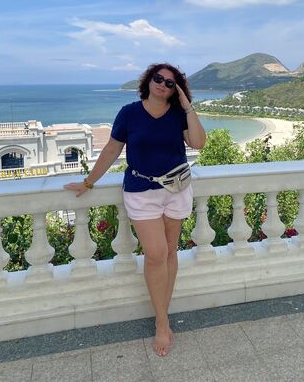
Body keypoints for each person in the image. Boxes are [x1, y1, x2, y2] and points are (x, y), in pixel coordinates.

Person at [64, 63, 206, 357]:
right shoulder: (129, 113)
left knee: (169, 252)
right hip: (141, 192)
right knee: (155, 253)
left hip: (176, 190)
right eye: (158, 78)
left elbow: (198, 143)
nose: (162, 84)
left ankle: (162, 317)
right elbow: (112, 150)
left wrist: (187, 105)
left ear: (176, 89)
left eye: (170, 83)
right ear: (148, 80)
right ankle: (162, 322)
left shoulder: (178, 114)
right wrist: (89, 182)